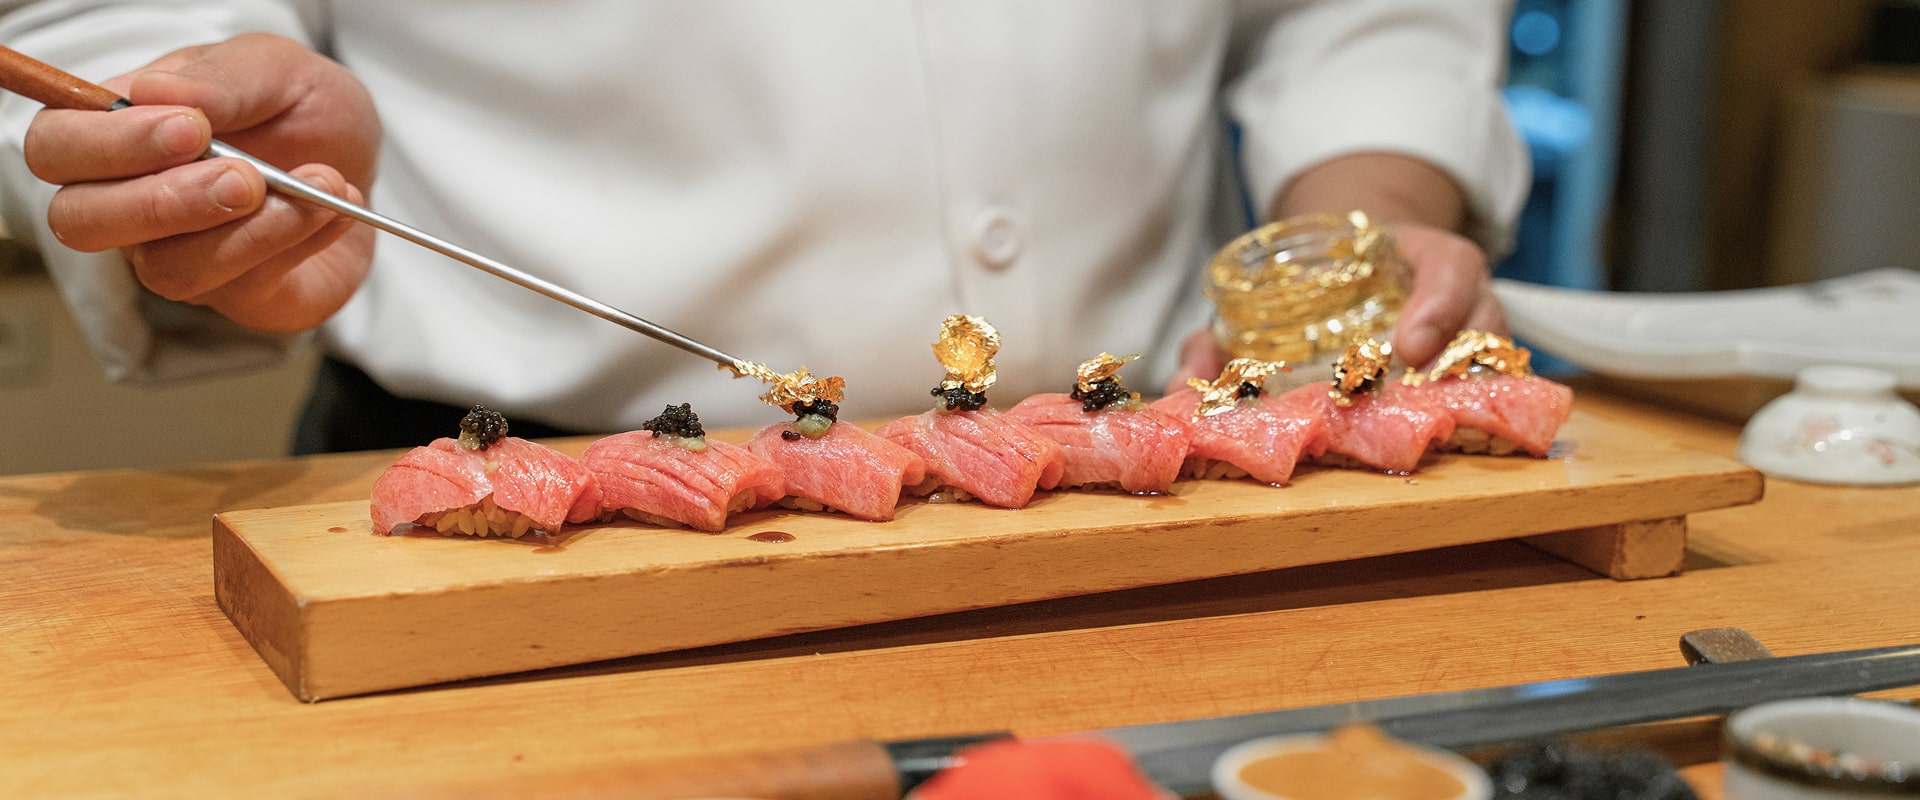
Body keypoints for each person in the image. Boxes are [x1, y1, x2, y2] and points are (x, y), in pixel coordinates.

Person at [0, 1, 1527, 453]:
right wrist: (212, 173)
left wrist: (1370, 211)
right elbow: (115, 24)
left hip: (1148, 494)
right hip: (503, 504)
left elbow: (1365, 15)